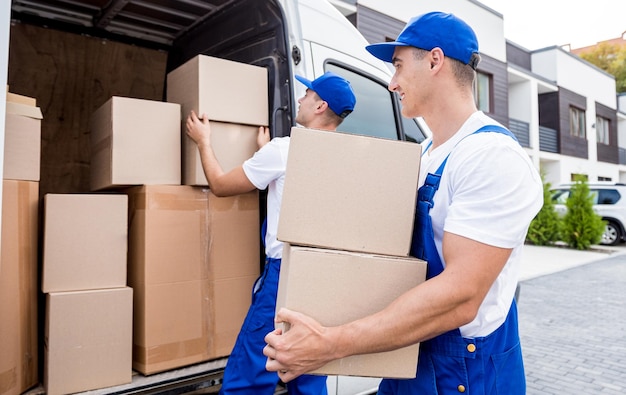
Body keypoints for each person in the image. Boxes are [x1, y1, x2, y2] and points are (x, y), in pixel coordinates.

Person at [263, 11, 543, 394]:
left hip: (464, 372)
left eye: (397, 65)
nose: (392, 83)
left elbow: (460, 297)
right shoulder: (426, 152)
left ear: (434, 60)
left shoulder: (491, 158)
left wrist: (330, 343)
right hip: (408, 353)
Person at [185, 71, 356, 395]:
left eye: (308, 94)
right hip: (325, 277)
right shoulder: (346, 155)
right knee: (309, 366)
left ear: (320, 106)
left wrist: (203, 142)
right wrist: (265, 152)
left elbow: (220, 186)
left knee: (254, 366)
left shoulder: (284, 151)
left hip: (286, 276)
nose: (302, 99)